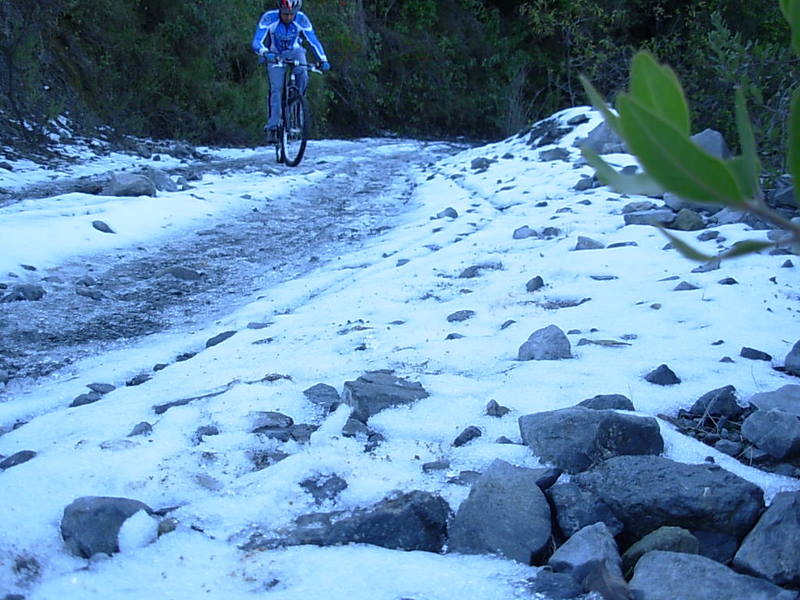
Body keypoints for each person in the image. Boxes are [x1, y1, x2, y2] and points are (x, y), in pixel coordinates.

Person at [252, 0, 330, 141]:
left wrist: (323, 59)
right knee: (276, 89)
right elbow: (257, 41)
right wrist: (264, 52)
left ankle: (298, 102)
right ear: (279, 10)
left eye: (291, 14)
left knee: (303, 73)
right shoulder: (269, 18)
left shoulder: (302, 19)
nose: (288, 17)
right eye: (285, 14)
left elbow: (313, 40)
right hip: (274, 54)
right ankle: (273, 126)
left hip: (295, 52)